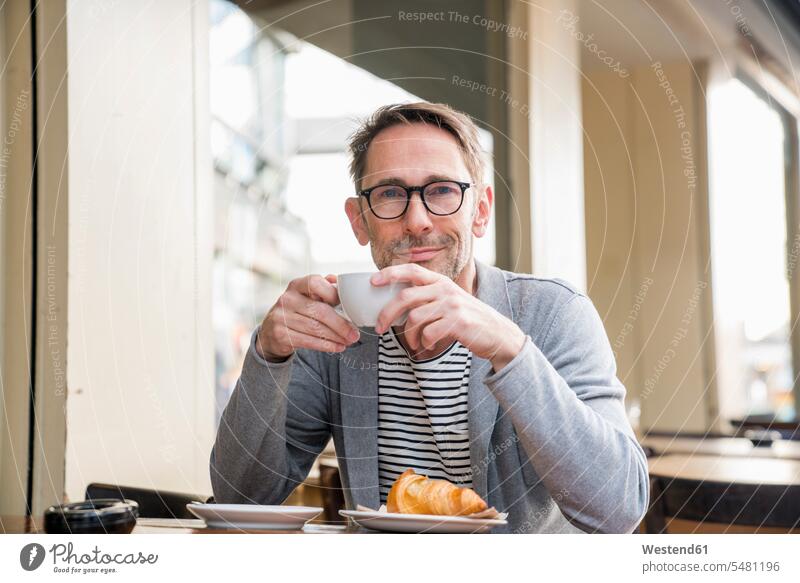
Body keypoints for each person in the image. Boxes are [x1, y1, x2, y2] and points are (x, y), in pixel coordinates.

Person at [210, 101, 649, 533]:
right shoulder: (339, 332)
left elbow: (618, 508)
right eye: (390, 193)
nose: (417, 220)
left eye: (441, 190)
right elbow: (239, 496)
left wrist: (509, 350)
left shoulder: (552, 314)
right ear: (359, 220)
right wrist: (268, 355)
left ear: (480, 211)